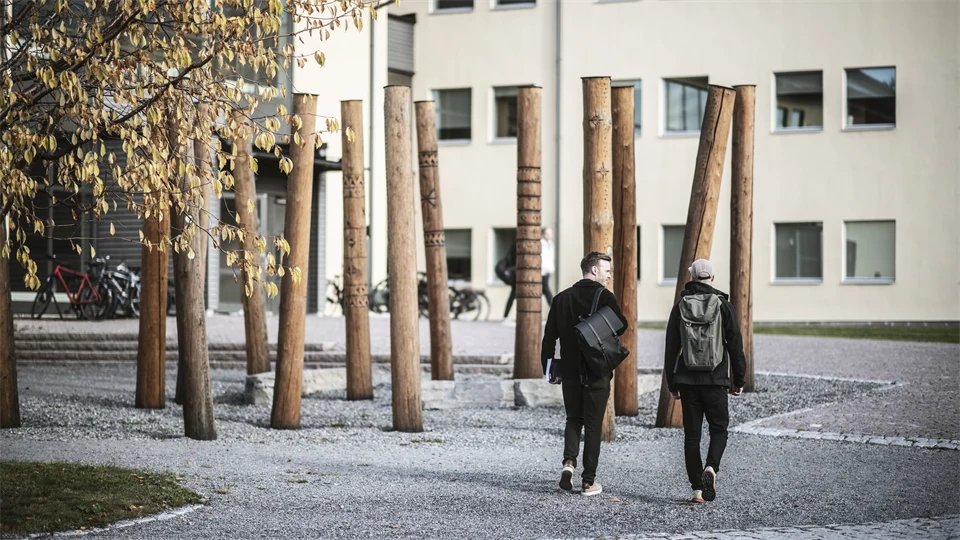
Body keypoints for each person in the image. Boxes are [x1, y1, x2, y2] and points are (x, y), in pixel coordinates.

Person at [540, 252, 628, 496]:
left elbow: (549, 338)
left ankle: (569, 463)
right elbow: (622, 325)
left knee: (572, 419)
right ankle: (588, 482)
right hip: (596, 370)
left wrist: (547, 367)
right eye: (606, 271)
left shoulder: (560, 298)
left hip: (569, 371)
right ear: (593, 270)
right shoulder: (605, 297)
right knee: (592, 425)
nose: (609, 275)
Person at [664, 258, 746, 504]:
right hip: (716, 380)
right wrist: (738, 380)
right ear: (712, 278)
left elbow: (671, 348)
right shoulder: (723, 305)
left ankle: (697, 490)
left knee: (692, 437)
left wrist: (673, 382)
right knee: (719, 429)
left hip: (688, 381)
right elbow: (736, 346)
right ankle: (711, 467)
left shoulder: (680, 306)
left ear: (691, 276)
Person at [497, 240, 517, 320]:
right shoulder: (517, 245)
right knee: (513, 295)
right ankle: (505, 316)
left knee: (513, 295)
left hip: (513, 273)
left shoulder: (515, 245)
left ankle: (506, 316)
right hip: (514, 273)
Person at [540, 227, 555, 306]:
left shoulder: (551, 244)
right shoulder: (541, 244)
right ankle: (553, 306)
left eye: (550, 233)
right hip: (542, 270)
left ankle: (553, 307)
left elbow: (550, 257)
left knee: (544, 289)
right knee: (546, 289)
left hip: (548, 270)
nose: (549, 235)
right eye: (547, 233)